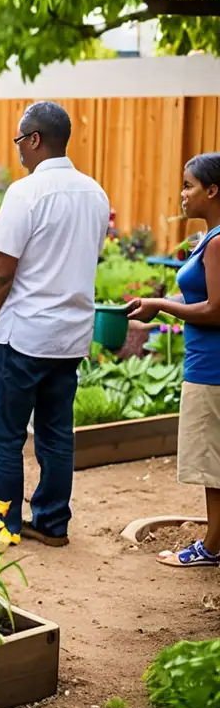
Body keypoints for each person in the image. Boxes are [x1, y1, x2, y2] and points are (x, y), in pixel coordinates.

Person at [0, 101, 110, 546]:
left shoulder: (25, 193)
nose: (18, 150)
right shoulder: (96, 193)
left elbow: (1, 273)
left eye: (19, 140)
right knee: (56, 434)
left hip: (23, 334)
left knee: (4, 439)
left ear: (36, 139)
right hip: (71, 336)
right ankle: (51, 523)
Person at [128, 153, 220, 567]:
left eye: (189, 186)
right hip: (207, 365)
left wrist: (163, 306)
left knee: (212, 465)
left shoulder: (217, 242)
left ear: (212, 190)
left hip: (211, 369)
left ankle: (212, 548)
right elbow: (201, 298)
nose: (182, 195)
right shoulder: (212, 237)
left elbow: (216, 310)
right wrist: (159, 302)